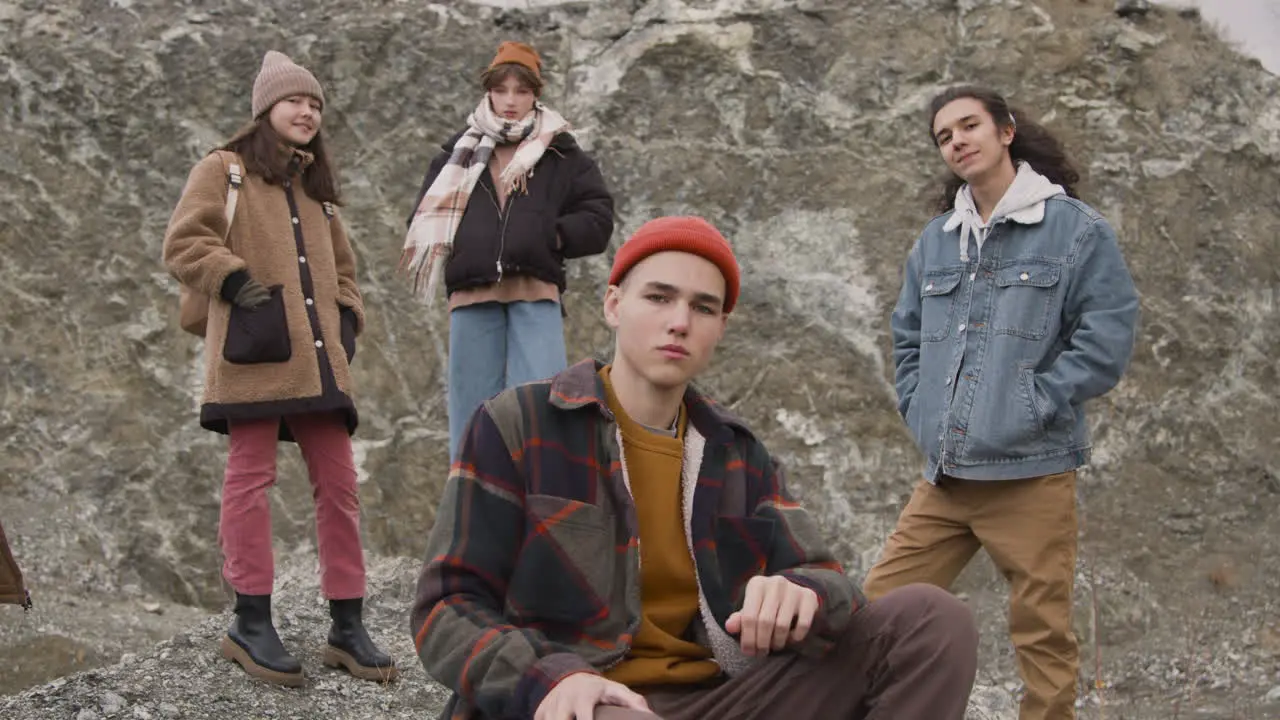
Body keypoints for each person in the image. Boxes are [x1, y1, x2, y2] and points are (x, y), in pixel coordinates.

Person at [410, 216, 979, 720]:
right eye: (658, 298)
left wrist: (800, 591)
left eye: (703, 307)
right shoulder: (520, 423)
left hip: (719, 699)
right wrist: (551, 678)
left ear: (720, 327)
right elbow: (447, 607)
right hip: (581, 700)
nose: (680, 321)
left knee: (933, 618)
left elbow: (834, 584)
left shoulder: (736, 452)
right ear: (614, 304)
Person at [863, 85, 1140, 720]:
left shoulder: (1075, 230)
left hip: (1031, 474)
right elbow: (906, 338)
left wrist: (1031, 403)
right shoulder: (937, 241)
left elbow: (1107, 339)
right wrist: (920, 406)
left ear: (1006, 131)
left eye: (969, 126)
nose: (957, 141)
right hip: (946, 478)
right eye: (944, 136)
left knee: (1043, 640)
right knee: (874, 614)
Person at [163, 51, 395, 687]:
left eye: (315, 104)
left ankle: (348, 625)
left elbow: (346, 275)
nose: (307, 111)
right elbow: (183, 241)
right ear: (266, 108)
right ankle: (250, 621)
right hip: (254, 353)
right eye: (295, 101)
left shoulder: (317, 192)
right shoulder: (224, 169)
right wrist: (233, 280)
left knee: (340, 484)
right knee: (250, 479)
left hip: (320, 363)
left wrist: (347, 320)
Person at [401, 40, 614, 462]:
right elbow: (423, 218)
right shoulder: (454, 155)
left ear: (537, 93)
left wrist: (552, 236)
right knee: (471, 419)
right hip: (471, 295)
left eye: (521, 90)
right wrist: (464, 244)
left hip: (535, 292)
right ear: (489, 92)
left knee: (543, 409)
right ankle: (471, 508)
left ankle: (542, 503)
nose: (511, 101)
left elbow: (598, 217)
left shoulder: (561, 151)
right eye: (502, 90)